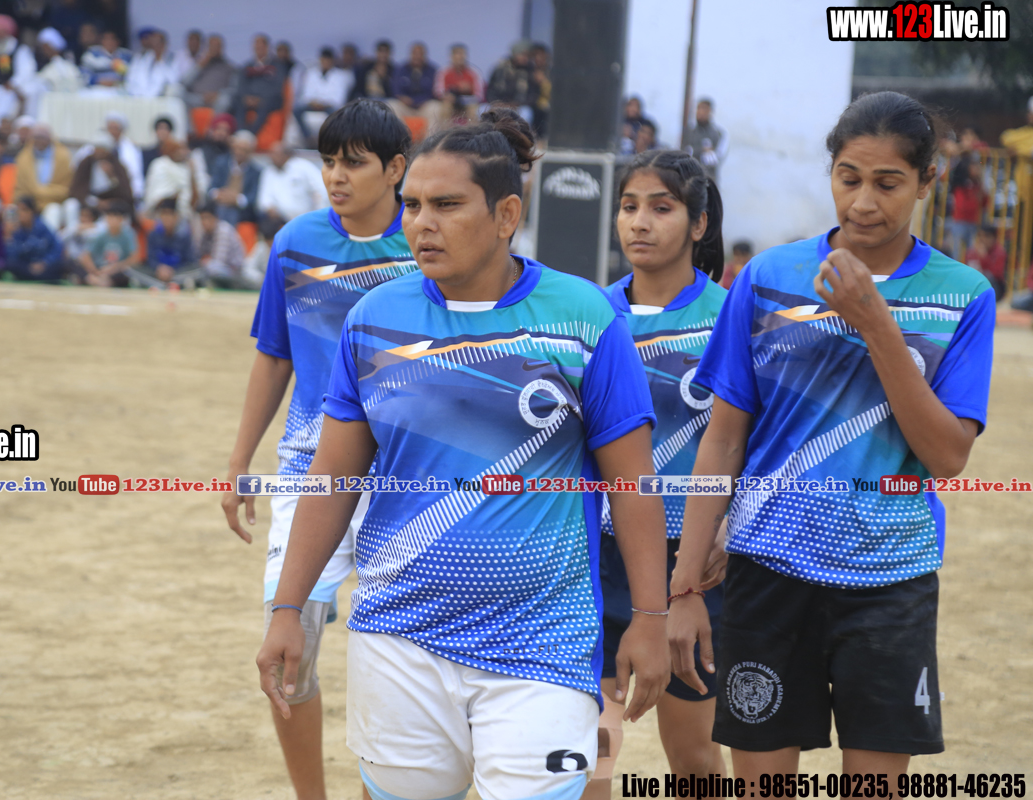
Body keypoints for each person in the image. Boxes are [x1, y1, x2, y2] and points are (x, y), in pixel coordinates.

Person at [256, 107, 671, 800]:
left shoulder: (585, 317)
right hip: (399, 636)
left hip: (543, 641)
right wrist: (286, 608)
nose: (422, 223)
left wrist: (652, 618)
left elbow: (633, 486)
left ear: (506, 214)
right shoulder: (374, 320)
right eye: (413, 205)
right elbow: (331, 481)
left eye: (447, 205)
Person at [668, 91, 995, 783]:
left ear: (927, 182)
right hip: (767, 574)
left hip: (890, 581)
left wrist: (875, 322)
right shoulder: (768, 279)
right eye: (849, 178)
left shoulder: (963, 294)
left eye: (888, 183)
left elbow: (946, 456)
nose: (864, 202)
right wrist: (686, 586)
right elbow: (722, 441)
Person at [224, 99, 417, 800]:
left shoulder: (428, 246)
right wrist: (239, 462)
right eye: (329, 161)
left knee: (401, 664)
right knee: (286, 652)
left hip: (406, 478)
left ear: (395, 170)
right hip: (310, 471)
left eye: (353, 163)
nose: (336, 176)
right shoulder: (294, 243)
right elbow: (273, 355)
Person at [584, 150, 730, 799]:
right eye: (629, 206)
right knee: (589, 752)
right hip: (595, 554)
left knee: (694, 756)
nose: (639, 222)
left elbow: (753, 441)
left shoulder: (732, 316)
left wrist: (726, 526)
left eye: (661, 208)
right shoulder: (588, 314)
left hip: (693, 564)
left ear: (699, 223)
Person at [0, 14, 39, 129]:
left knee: (6, 98)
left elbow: (26, 71)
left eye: (1, 31)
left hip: (11, 88)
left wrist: (13, 83)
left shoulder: (19, 49)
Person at [14, 122, 71, 227]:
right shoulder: (23, 158)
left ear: (49, 139)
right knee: (12, 212)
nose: (39, 141)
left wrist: (40, 192)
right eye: (36, 137)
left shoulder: (63, 157)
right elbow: (20, 187)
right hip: (29, 202)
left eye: (42, 137)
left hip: (54, 201)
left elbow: (65, 189)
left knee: (53, 211)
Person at [294, 46, 352, 146]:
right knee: (296, 109)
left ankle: (330, 140)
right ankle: (308, 138)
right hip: (312, 104)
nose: (325, 63)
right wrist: (313, 102)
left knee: (336, 113)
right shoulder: (311, 73)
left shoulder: (340, 76)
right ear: (320, 60)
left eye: (328, 60)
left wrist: (323, 103)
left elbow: (339, 98)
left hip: (328, 106)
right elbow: (306, 94)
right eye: (323, 60)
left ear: (332, 61)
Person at [256, 142, 326, 223]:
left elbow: (321, 187)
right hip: (280, 220)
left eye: (276, 154)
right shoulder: (268, 172)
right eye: (271, 154)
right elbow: (264, 199)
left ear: (286, 155)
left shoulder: (303, 167)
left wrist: (318, 210)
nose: (272, 157)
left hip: (305, 218)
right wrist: (270, 208)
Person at [134, 197, 196, 287]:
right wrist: (159, 268)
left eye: (170, 214)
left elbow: (189, 259)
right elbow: (150, 258)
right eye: (164, 214)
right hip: (157, 272)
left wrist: (171, 270)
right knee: (134, 269)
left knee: (197, 270)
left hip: (177, 272)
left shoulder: (184, 235)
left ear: (176, 216)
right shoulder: (153, 234)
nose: (167, 218)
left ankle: (161, 283)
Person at [143, 137, 208, 220]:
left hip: (184, 216)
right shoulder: (160, 165)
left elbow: (197, 194)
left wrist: (192, 173)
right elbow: (154, 195)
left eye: (185, 149)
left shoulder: (189, 166)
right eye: (180, 149)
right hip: (160, 215)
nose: (184, 152)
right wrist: (172, 196)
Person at [75, 202, 136, 287]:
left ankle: (96, 281)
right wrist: (95, 271)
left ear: (122, 219)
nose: (112, 220)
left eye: (115, 217)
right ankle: (94, 279)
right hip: (100, 268)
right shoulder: (100, 234)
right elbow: (86, 256)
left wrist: (115, 267)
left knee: (126, 273)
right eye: (109, 216)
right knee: (74, 263)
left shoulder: (128, 235)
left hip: (116, 270)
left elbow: (133, 258)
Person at [192, 200, 250, 288]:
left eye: (207, 218)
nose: (205, 222)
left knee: (210, 267)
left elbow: (219, 261)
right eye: (202, 218)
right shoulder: (204, 233)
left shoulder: (223, 231)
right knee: (200, 267)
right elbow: (198, 256)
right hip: (219, 270)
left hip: (235, 273)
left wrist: (204, 261)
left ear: (216, 217)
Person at [233, 33, 283, 135]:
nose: (258, 48)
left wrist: (260, 99)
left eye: (261, 45)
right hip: (249, 98)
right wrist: (247, 97)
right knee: (236, 100)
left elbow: (277, 87)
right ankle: (240, 132)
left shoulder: (277, 66)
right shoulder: (247, 66)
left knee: (266, 103)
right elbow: (241, 84)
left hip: (268, 99)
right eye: (256, 45)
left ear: (267, 47)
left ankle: (252, 134)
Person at [389, 41, 444, 133]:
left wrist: (418, 100)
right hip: (405, 106)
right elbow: (395, 89)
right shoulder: (400, 69)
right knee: (392, 105)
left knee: (436, 107)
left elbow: (434, 91)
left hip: (424, 106)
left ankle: (430, 140)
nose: (417, 56)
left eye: (420, 54)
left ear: (425, 55)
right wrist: (403, 98)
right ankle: (401, 138)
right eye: (415, 53)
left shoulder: (432, 70)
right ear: (410, 54)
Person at [6, 195, 62, 280]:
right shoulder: (15, 230)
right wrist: (9, 237)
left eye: (24, 210)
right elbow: (12, 256)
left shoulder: (42, 227)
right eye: (18, 210)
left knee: (62, 264)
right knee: (10, 265)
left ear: (32, 211)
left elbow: (56, 248)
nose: (21, 213)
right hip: (27, 266)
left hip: (43, 265)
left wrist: (44, 262)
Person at [181, 33, 236, 114]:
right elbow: (184, 82)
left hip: (217, 99)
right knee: (177, 93)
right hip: (197, 99)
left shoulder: (229, 67)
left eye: (217, 46)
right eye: (212, 46)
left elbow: (233, 89)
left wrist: (218, 94)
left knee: (225, 100)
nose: (214, 49)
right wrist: (201, 65)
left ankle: (214, 123)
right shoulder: (199, 64)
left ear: (222, 48)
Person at [485, 40, 535, 124]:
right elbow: (490, 90)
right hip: (498, 104)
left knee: (526, 113)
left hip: (520, 106)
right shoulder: (500, 69)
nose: (525, 58)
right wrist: (496, 102)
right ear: (515, 54)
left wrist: (517, 103)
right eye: (523, 55)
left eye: (528, 55)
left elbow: (532, 94)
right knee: (481, 110)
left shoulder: (530, 71)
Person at [434, 43, 484, 123]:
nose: (460, 57)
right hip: (450, 102)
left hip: (468, 102)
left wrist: (469, 90)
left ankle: (473, 130)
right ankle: (445, 130)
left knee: (474, 110)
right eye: (457, 54)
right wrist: (447, 96)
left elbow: (479, 95)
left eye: (462, 54)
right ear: (451, 57)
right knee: (445, 108)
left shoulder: (474, 72)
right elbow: (438, 91)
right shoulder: (443, 72)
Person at [683, 98, 728, 185]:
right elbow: (685, 152)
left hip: (709, 181)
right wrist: (701, 150)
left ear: (710, 112)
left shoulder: (718, 134)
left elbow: (715, 157)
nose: (700, 112)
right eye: (698, 109)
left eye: (704, 109)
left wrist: (698, 152)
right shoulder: (689, 132)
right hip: (689, 180)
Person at [125, 28, 178, 98]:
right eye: (153, 43)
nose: (156, 46)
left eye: (158, 43)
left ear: (164, 44)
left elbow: (173, 80)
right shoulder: (142, 57)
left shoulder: (171, 58)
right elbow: (131, 78)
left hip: (162, 98)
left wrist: (160, 61)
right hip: (139, 96)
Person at [964, 224, 1007, 300]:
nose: (982, 239)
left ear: (994, 238)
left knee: (987, 276)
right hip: (975, 284)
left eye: (986, 236)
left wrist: (984, 257)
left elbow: (996, 274)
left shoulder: (999, 252)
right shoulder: (972, 251)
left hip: (994, 286)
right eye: (980, 236)